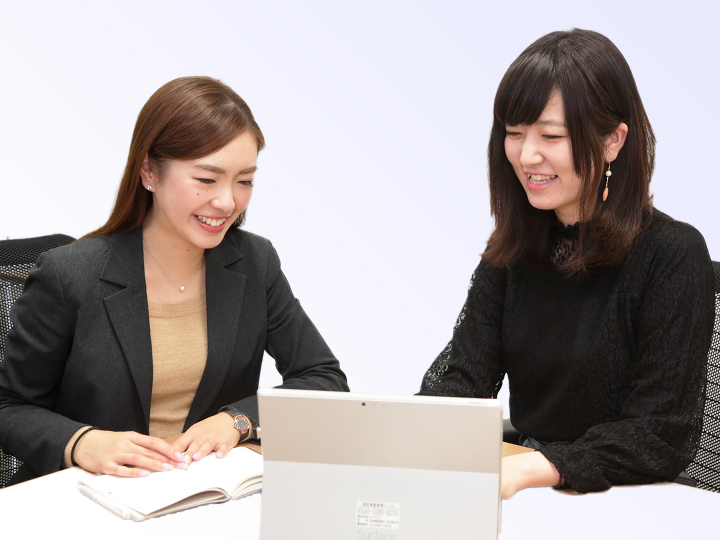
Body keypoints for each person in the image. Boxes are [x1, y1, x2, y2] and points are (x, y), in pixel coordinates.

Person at [0, 76, 348, 485]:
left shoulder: (255, 262)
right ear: (149, 171)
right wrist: (82, 442)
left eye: (244, 180)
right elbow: (9, 405)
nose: (227, 202)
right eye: (206, 179)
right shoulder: (70, 274)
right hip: (89, 495)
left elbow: (323, 379)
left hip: (197, 493)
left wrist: (237, 420)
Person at [419, 29, 714, 498]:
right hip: (535, 490)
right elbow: (463, 382)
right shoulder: (514, 249)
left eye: (551, 136)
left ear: (613, 140)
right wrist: (404, 432)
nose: (526, 155)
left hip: (627, 500)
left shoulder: (672, 253)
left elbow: (659, 432)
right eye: (514, 133)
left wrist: (538, 468)